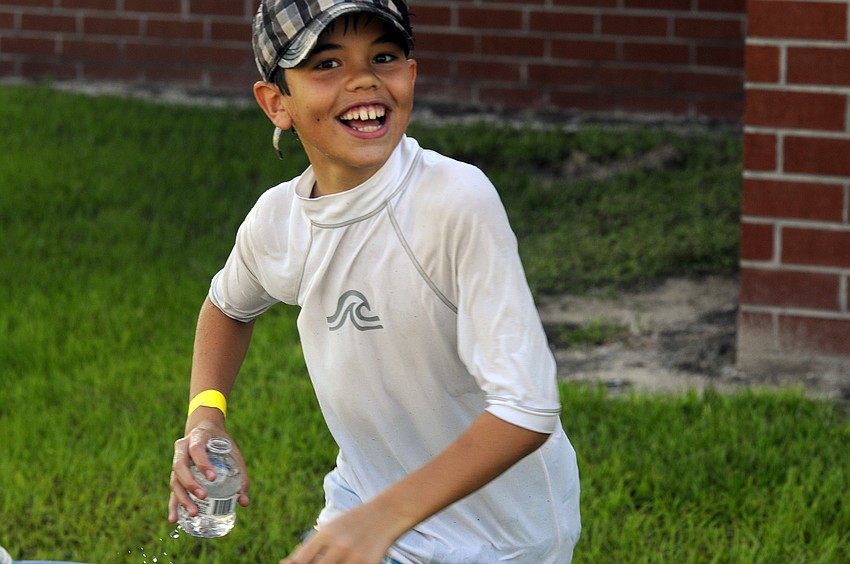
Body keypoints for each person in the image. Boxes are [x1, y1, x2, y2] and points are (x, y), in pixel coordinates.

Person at [168, 0, 581, 562]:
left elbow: (527, 408)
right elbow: (227, 308)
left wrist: (382, 519)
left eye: (383, 57)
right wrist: (206, 414)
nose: (363, 79)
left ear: (410, 76)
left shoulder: (454, 201)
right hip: (362, 509)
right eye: (326, 64)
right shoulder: (277, 220)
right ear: (276, 102)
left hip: (496, 541)